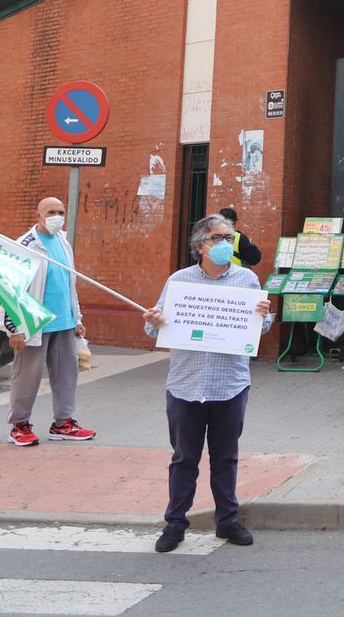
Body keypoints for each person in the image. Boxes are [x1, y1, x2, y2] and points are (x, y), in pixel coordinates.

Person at [142, 214, 272, 552]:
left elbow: (263, 328)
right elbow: (152, 328)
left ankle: (227, 521)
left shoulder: (247, 280)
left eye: (230, 237)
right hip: (186, 385)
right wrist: (155, 320)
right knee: (185, 457)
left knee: (225, 457)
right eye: (219, 238)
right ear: (201, 245)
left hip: (230, 384)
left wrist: (264, 315)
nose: (227, 244)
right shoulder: (180, 281)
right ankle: (175, 523)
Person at [3, 197, 94, 446]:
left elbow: (69, 283)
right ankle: (19, 425)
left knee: (67, 375)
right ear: (38, 215)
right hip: (34, 323)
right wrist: (14, 327)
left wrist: (77, 318)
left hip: (64, 322)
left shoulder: (63, 242)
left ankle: (63, 423)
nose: (57, 216)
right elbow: (9, 288)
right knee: (27, 376)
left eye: (61, 211)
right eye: (51, 212)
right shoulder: (25, 245)